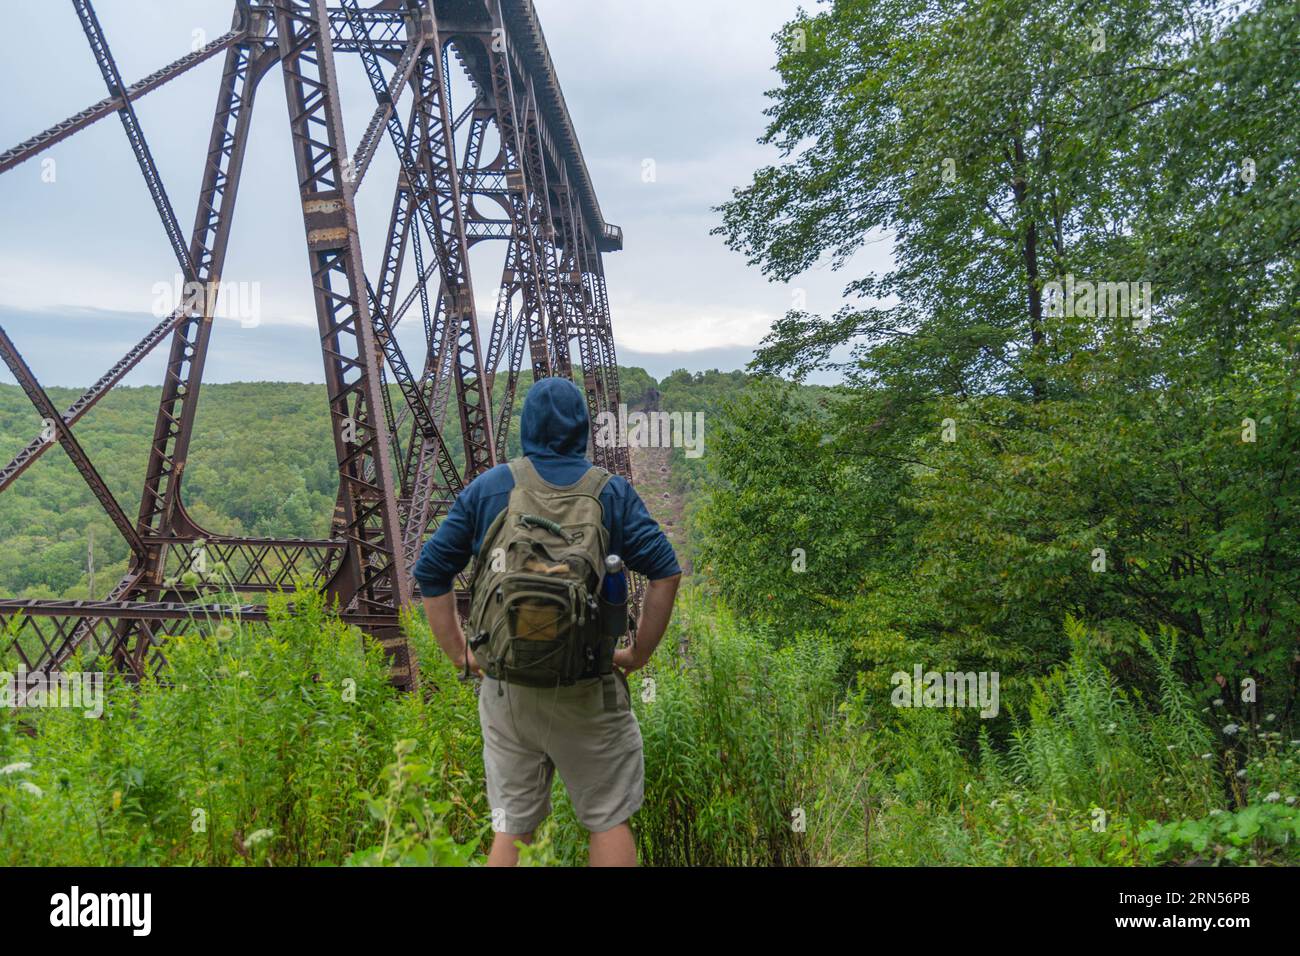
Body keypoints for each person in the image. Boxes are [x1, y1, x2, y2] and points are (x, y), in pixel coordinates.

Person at [412, 377, 681, 867]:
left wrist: (462, 655)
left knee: (511, 828)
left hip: (508, 689)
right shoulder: (610, 492)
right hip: (587, 686)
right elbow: (666, 570)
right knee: (608, 818)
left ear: (527, 428)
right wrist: (639, 654)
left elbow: (430, 572)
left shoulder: (491, 488)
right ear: (583, 431)